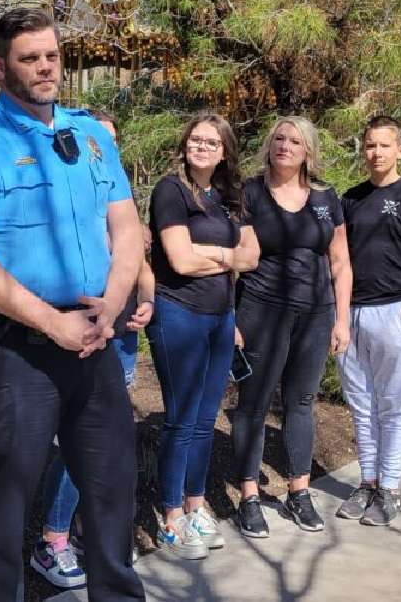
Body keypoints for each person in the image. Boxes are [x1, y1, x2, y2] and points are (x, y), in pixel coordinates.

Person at [0, 7, 145, 602]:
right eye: (30, 58)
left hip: (94, 341)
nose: (46, 66)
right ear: (0, 66)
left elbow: (127, 229)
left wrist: (113, 304)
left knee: (112, 492)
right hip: (16, 351)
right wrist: (54, 323)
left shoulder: (92, 136)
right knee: (9, 496)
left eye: (51, 54)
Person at [31, 110, 154, 589]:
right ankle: (53, 540)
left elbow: (136, 255)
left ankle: (89, 534)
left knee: (106, 449)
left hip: (120, 334)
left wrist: (147, 299)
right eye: (96, 138)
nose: (102, 146)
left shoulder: (113, 190)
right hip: (80, 331)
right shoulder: (65, 197)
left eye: (109, 139)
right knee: (72, 445)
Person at [230, 116, 352, 537]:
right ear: (269, 145)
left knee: (301, 402)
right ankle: (248, 495)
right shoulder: (249, 193)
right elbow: (233, 258)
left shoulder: (325, 196)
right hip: (262, 309)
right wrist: (231, 318)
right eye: (279, 138)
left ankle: (299, 491)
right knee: (254, 403)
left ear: (307, 151)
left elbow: (340, 261)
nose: (285, 145)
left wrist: (341, 318)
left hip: (316, 313)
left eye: (295, 141)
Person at [145, 112, 260, 559]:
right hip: (179, 314)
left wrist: (212, 254)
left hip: (220, 317)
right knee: (179, 417)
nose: (202, 147)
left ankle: (196, 505)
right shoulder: (171, 191)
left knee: (205, 418)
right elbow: (179, 260)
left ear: (225, 150)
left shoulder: (232, 195)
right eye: (195, 140)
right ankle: (171, 516)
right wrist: (226, 255)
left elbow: (252, 256)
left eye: (212, 142)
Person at [334, 115, 401, 526]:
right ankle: (368, 480)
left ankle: (390, 488)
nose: (376, 153)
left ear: (400, 150)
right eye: (370, 145)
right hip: (350, 314)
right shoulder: (350, 199)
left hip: (393, 311)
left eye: (384, 145)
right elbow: (338, 260)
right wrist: (339, 316)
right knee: (360, 404)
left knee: (392, 405)